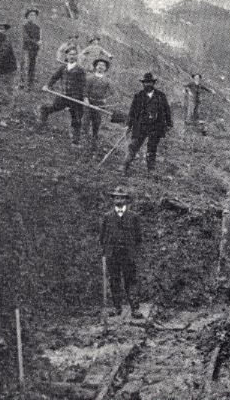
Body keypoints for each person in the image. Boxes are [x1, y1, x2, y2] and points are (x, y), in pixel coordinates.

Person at [99, 186, 142, 318]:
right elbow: (102, 236)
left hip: (128, 254)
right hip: (113, 255)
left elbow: (138, 237)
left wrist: (133, 251)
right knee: (114, 281)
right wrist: (106, 251)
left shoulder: (133, 216)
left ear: (126, 200)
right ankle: (117, 308)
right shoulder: (107, 216)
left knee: (131, 281)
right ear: (113, 200)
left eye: (122, 198)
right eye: (117, 197)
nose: (119, 200)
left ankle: (134, 309)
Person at [122, 72, 173, 174]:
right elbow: (132, 111)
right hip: (140, 125)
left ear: (153, 83)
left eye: (150, 82)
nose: (148, 84)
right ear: (143, 83)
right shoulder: (138, 96)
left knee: (152, 148)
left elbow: (167, 110)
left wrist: (168, 123)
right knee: (134, 146)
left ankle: (151, 169)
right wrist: (128, 125)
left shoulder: (160, 96)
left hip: (155, 126)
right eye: (146, 82)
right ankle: (125, 166)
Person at [39, 45, 87, 147]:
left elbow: (84, 85)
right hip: (63, 96)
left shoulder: (80, 70)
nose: (72, 56)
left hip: (75, 98)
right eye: (70, 54)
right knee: (51, 108)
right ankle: (41, 123)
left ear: (77, 56)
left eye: (74, 54)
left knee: (76, 119)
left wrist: (85, 98)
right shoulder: (63, 67)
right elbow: (54, 77)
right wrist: (48, 85)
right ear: (66, 56)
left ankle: (75, 141)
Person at [83, 58, 113, 152]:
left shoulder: (107, 80)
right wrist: (86, 99)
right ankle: (84, 141)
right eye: (99, 65)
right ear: (95, 66)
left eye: (103, 65)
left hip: (99, 105)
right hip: (89, 103)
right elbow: (85, 90)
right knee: (86, 122)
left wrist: (106, 99)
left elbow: (112, 93)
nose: (101, 67)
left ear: (105, 68)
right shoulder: (89, 78)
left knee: (96, 123)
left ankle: (94, 142)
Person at [21, 8, 41, 89]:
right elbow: (26, 38)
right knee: (26, 66)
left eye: (34, 15)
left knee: (32, 67)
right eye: (31, 15)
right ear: (27, 16)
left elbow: (39, 38)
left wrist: (38, 45)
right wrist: (36, 42)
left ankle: (30, 84)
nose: (33, 16)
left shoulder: (37, 27)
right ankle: (23, 84)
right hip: (27, 49)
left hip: (34, 50)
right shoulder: (25, 26)